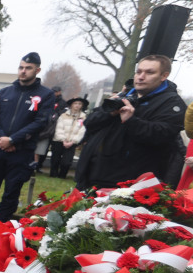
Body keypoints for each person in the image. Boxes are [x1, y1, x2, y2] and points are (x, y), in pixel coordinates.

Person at [0, 53, 55, 232]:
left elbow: (41, 122)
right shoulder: (6, 92)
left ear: (37, 70)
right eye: (21, 67)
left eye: (28, 68)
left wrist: (14, 139)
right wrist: (3, 139)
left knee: (12, 190)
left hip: (22, 150)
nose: (23, 71)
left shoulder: (45, 95)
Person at [74, 55, 186, 190]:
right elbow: (90, 123)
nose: (141, 77)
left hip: (128, 184)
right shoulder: (125, 95)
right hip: (92, 173)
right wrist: (109, 112)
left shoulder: (172, 104)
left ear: (164, 76)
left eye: (149, 72)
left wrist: (131, 120)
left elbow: (161, 135)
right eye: (138, 72)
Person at [48, 97, 87, 179]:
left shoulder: (84, 117)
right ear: (71, 105)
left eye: (79, 104)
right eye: (75, 103)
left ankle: (62, 175)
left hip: (72, 142)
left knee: (67, 161)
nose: (77, 106)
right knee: (55, 159)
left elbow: (82, 131)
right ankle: (53, 174)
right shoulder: (63, 115)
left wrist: (73, 141)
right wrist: (63, 140)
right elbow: (59, 128)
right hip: (59, 140)